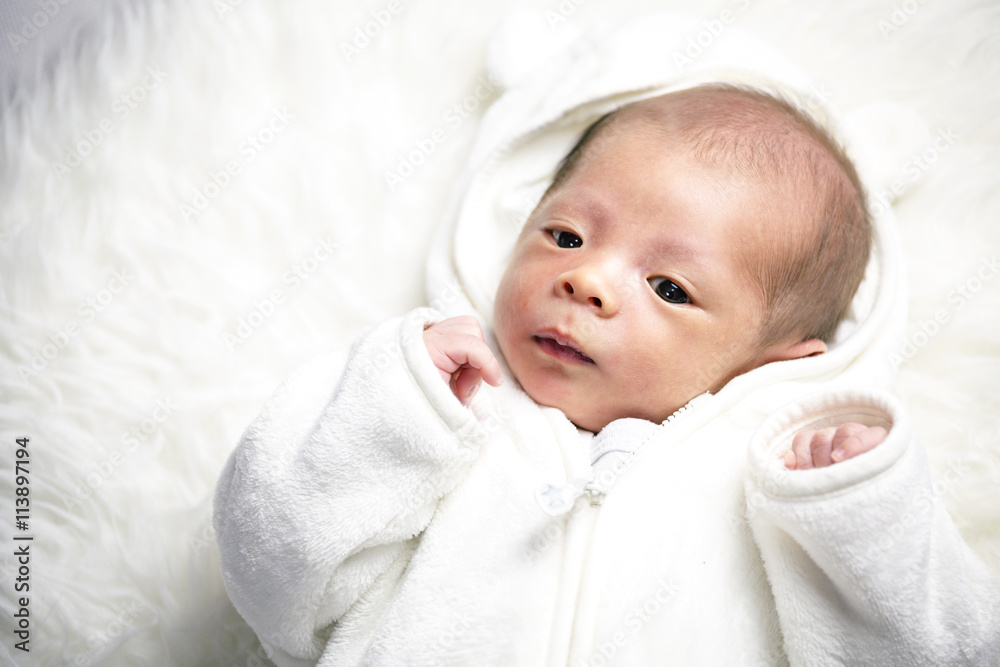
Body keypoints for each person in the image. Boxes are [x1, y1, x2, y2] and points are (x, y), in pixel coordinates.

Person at [213, 83, 1000, 666]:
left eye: (669, 288)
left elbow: (946, 649)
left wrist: (857, 512)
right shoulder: (446, 420)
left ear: (774, 364)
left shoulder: (772, 498)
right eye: (565, 234)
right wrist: (390, 412)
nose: (587, 279)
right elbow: (271, 581)